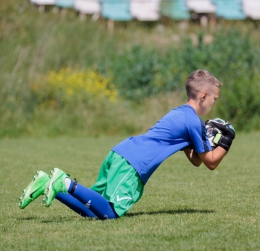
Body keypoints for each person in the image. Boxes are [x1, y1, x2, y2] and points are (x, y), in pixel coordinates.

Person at [19, 70, 236, 220]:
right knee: (111, 213)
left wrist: (203, 141)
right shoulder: (193, 121)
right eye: (214, 99)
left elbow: (196, 160)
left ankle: (49, 184)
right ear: (204, 96)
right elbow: (210, 163)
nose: (214, 103)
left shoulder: (181, 114)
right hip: (133, 165)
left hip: (121, 152)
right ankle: (65, 182)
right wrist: (226, 140)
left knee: (94, 210)